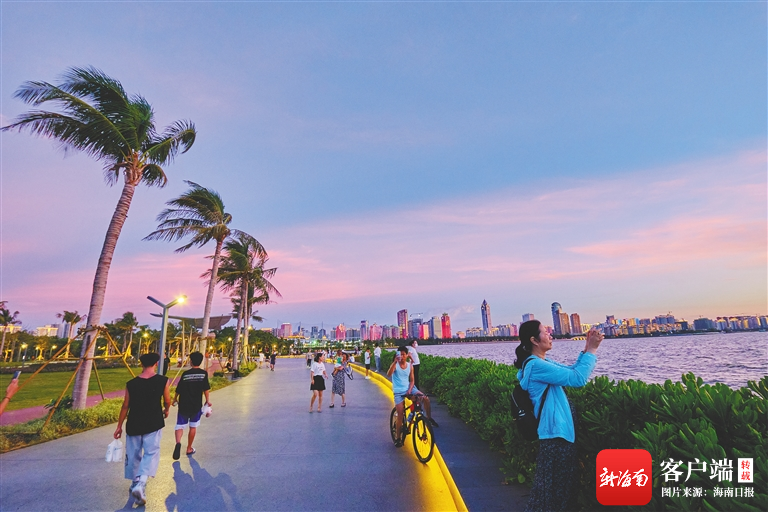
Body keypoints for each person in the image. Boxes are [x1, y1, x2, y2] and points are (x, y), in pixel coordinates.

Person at [516, 320, 603, 512]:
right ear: (534, 340)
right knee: (554, 493)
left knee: (555, 490)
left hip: (557, 434)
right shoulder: (536, 365)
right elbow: (578, 379)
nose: (550, 335)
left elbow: (571, 371)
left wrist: (586, 348)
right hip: (555, 436)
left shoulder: (540, 363)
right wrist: (593, 350)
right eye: (545, 332)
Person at [113, 353, 171, 506]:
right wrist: (166, 410)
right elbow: (167, 400)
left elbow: (125, 405)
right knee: (151, 452)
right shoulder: (163, 381)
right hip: (153, 422)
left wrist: (119, 426)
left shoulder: (131, 384)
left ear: (141, 364)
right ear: (156, 364)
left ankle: (135, 481)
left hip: (134, 423)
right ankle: (141, 482)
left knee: (133, 454)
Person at [388, 346, 438, 446]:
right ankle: (398, 438)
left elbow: (412, 381)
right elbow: (389, 374)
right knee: (400, 413)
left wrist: (410, 390)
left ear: (407, 355)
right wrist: (394, 362)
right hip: (398, 392)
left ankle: (428, 419)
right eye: (400, 354)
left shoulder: (410, 366)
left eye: (404, 354)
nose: (402, 356)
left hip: (409, 388)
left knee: (425, 398)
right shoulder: (395, 365)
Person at [172, 351, 211, 460]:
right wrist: (207, 401)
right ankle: (189, 448)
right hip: (196, 405)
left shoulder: (185, 374)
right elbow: (206, 389)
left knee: (180, 425)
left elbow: (179, 389)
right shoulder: (203, 374)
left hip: (183, 404)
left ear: (191, 361)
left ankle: (178, 442)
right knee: (193, 426)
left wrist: (175, 399)